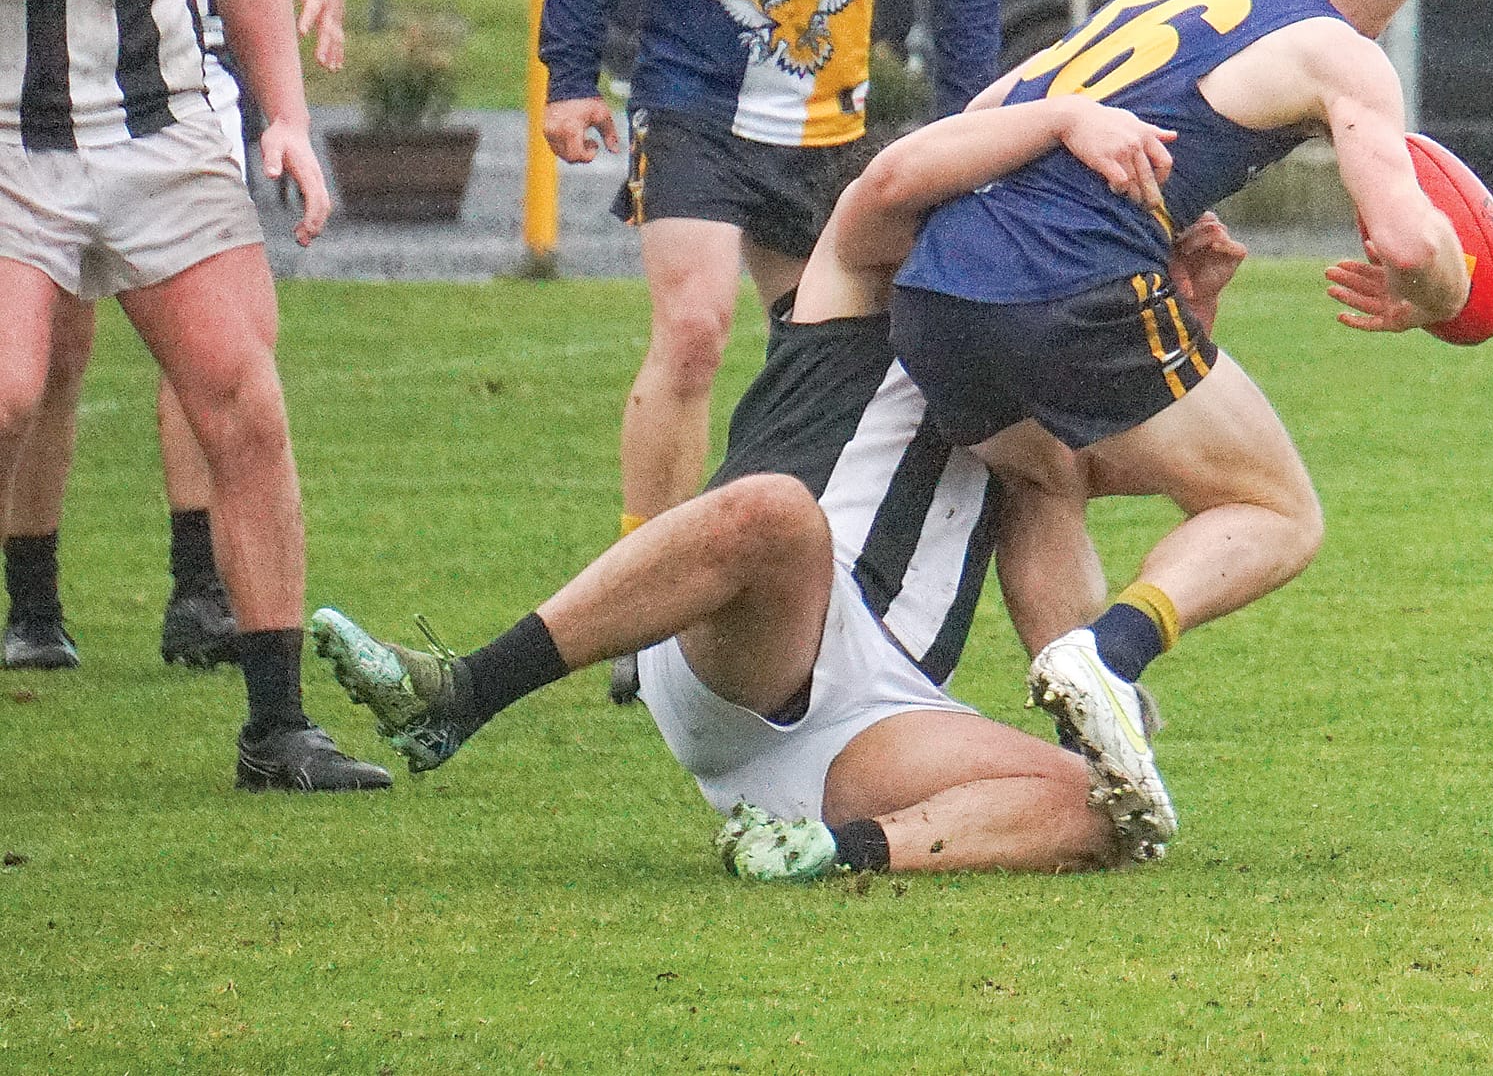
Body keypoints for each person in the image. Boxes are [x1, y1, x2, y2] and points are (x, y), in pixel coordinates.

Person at [308, 91, 1220, 879]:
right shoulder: (854, 274)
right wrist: (1065, 117)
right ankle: (461, 692)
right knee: (780, 512)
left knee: (1114, 805)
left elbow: (1132, 453)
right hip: (752, 634)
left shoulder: (1026, 370)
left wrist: (1184, 306)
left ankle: (828, 851)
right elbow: (891, 186)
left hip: (875, 714)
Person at [890, 0, 1473, 854]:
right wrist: (1439, 290)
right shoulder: (1342, 51)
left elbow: (993, 107)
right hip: (1066, 282)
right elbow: (1401, 233)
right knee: (1275, 510)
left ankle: (1095, 764)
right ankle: (1107, 656)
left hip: (938, 282)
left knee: (1045, 476)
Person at [538, 0, 999, 700]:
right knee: (692, 332)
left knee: (822, 364)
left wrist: (971, 115)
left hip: (832, 129)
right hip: (694, 100)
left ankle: (763, 590)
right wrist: (565, 71)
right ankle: (638, 604)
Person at [0, 0, 387, 791]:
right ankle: (31, 600)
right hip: (10, 136)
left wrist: (284, 118)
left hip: (164, 128)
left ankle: (277, 728)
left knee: (245, 398)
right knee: (8, 390)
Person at [2, 0, 349, 672]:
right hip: (22, 122)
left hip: (175, 100)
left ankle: (214, 613)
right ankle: (33, 599)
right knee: (37, 370)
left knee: (237, 372)